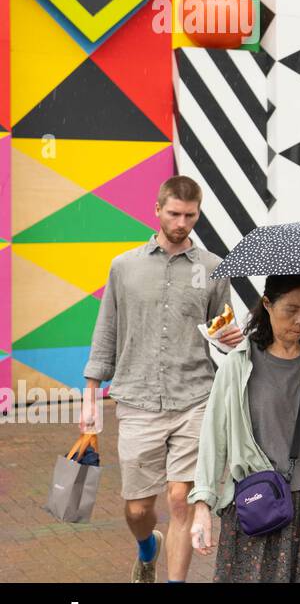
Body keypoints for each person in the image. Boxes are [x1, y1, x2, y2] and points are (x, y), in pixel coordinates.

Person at [82, 176, 242, 583]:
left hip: (195, 397)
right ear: (157, 210)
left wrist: (230, 337)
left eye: (190, 215)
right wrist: (89, 394)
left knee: (181, 499)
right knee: (137, 509)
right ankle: (146, 546)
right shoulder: (124, 266)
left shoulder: (211, 269)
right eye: (174, 213)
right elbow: (107, 330)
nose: (181, 222)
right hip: (136, 399)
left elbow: (221, 331)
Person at [189, 275, 300, 582]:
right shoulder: (238, 364)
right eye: (291, 309)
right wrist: (202, 505)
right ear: (267, 304)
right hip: (256, 504)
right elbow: (213, 436)